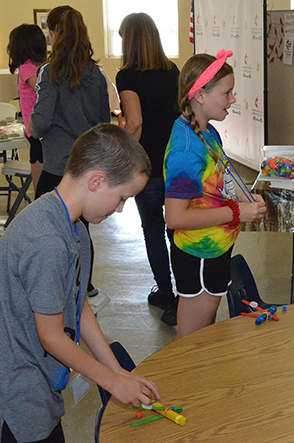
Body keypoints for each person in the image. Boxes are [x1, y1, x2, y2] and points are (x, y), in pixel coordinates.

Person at [0, 123, 160, 443]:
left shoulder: (75, 230)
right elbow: (51, 337)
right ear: (97, 181)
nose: (119, 209)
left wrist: (118, 372)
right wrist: (111, 383)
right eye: (121, 198)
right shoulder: (46, 240)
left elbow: (79, 305)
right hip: (20, 396)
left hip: (43, 387)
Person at [163, 50, 267, 339]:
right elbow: (174, 217)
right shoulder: (186, 150)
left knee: (204, 333)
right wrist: (237, 212)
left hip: (215, 249)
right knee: (193, 342)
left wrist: (245, 198)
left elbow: (222, 175)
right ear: (200, 95)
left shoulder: (206, 131)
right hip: (199, 254)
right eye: (227, 93)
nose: (232, 100)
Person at [31, 7, 110, 297]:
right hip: (87, 163)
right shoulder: (96, 74)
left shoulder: (49, 72)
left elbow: (40, 123)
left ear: (53, 34)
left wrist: (31, 124)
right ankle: (83, 285)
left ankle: (50, 288)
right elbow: (104, 121)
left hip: (57, 166)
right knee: (81, 229)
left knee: (45, 227)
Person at [116, 13, 180, 326]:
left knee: (153, 229)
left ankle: (165, 293)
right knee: (178, 228)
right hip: (177, 163)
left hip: (150, 167)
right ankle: (187, 294)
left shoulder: (127, 76)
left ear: (128, 41)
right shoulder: (173, 71)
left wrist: (124, 153)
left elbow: (136, 122)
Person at [7, 24, 47, 192]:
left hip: (38, 125)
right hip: (34, 127)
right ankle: (39, 194)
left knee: (40, 160)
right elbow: (40, 87)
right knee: (37, 160)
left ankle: (41, 193)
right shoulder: (26, 68)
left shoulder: (36, 66)